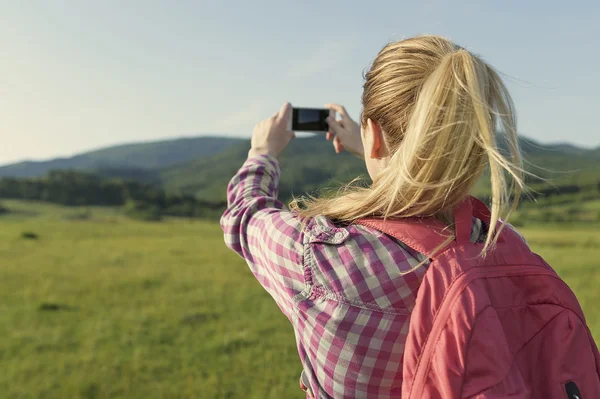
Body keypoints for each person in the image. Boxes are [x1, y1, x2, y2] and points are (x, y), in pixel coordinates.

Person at [220, 35, 599, 398]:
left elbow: (243, 216)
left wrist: (263, 153)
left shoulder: (322, 257)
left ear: (375, 135)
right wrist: (376, 149)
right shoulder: (506, 245)